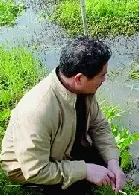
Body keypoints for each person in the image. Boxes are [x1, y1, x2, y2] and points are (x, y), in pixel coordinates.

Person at [1, 36, 126, 194]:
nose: (105, 80)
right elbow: (35, 170)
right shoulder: (36, 111)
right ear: (79, 78)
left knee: (110, 160)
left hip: (64, 148)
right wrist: (85, 170)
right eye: (101, 75)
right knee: (74, 187)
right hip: (31, 169)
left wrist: (113, 162)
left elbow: (99, 126)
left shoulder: (83, 90)